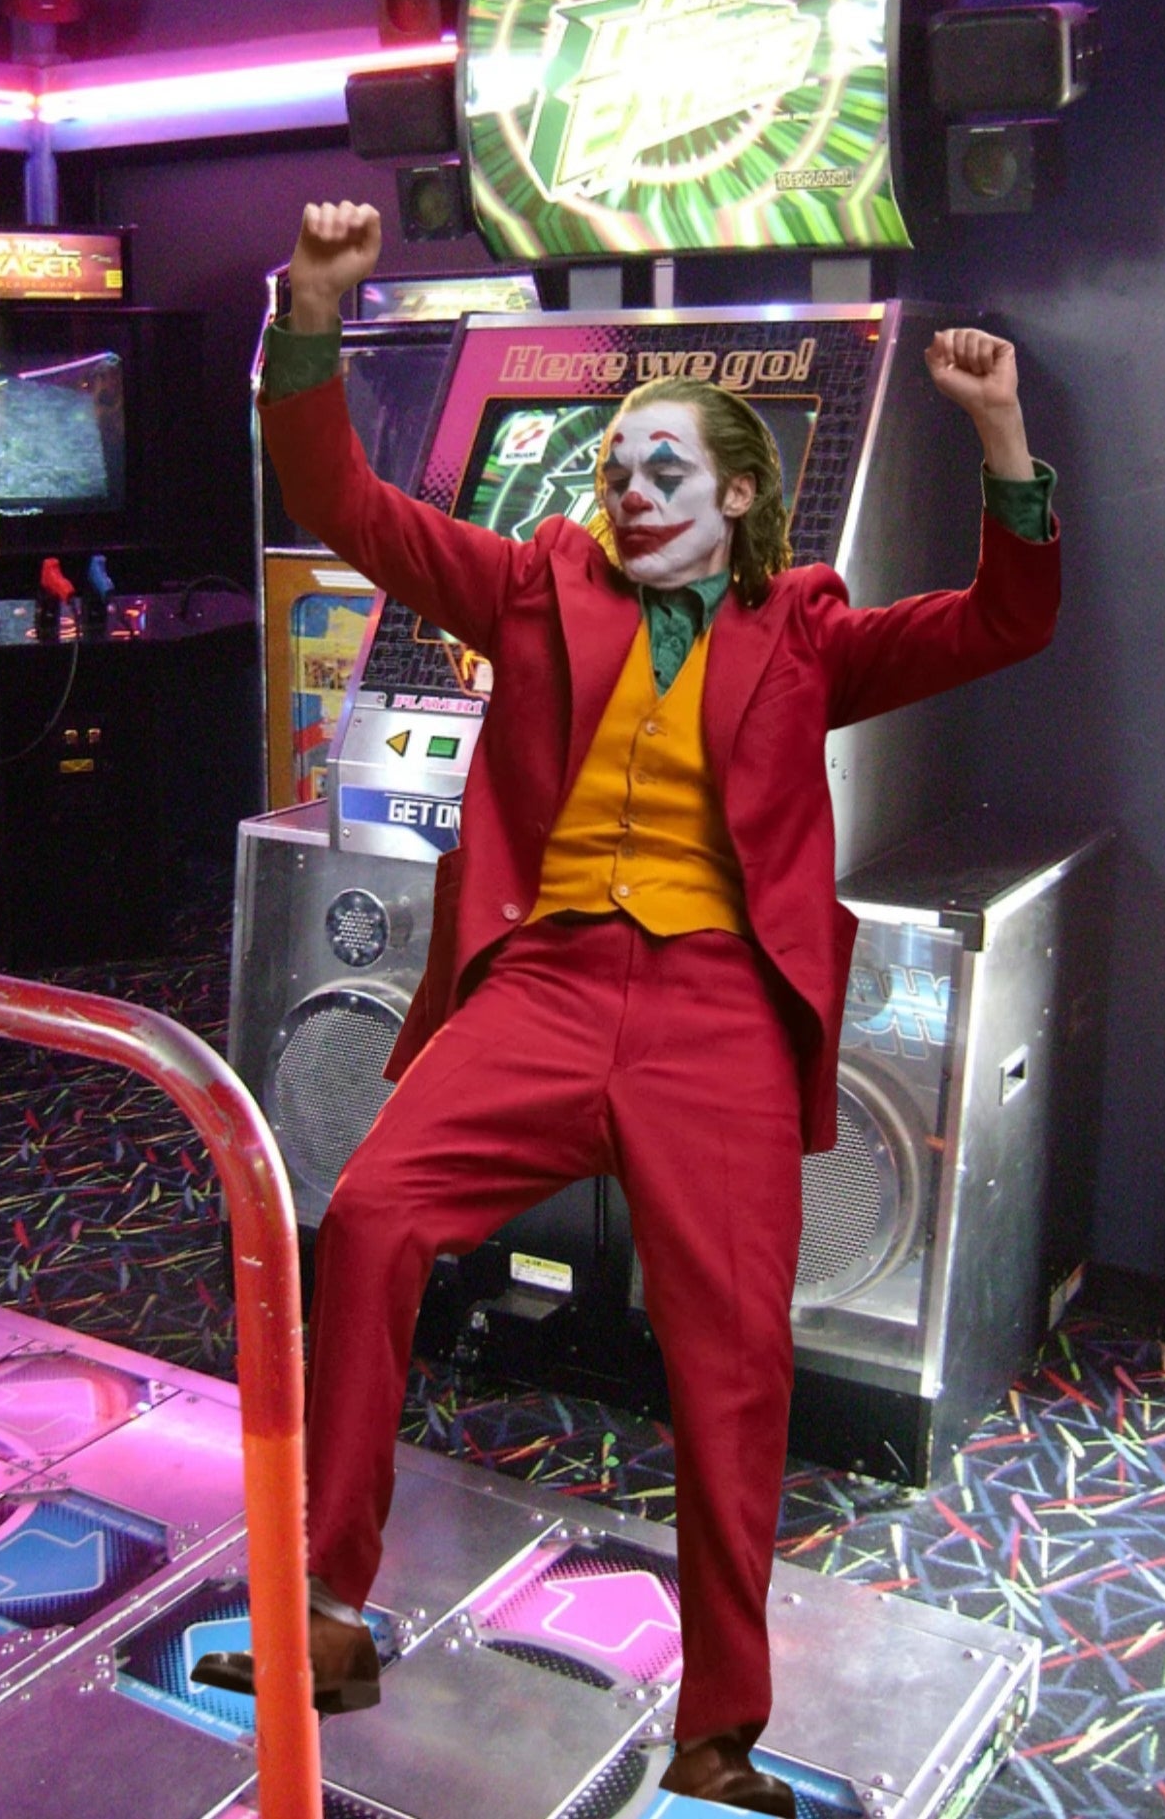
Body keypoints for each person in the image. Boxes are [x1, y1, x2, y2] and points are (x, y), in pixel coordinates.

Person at [199, 201, 1060, 1814]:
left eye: (665, 466)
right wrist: (307, 310)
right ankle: (327, 1609)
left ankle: (719, 1726)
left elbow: (1008, 619)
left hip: (719, 1006)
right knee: (372, 1215)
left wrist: (1003, 436)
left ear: (739, 495)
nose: (628, 487)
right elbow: (339, 499)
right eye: (613, 464)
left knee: (733, 1356)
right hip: (544, 981)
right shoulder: (534, 584)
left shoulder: (805, 627)